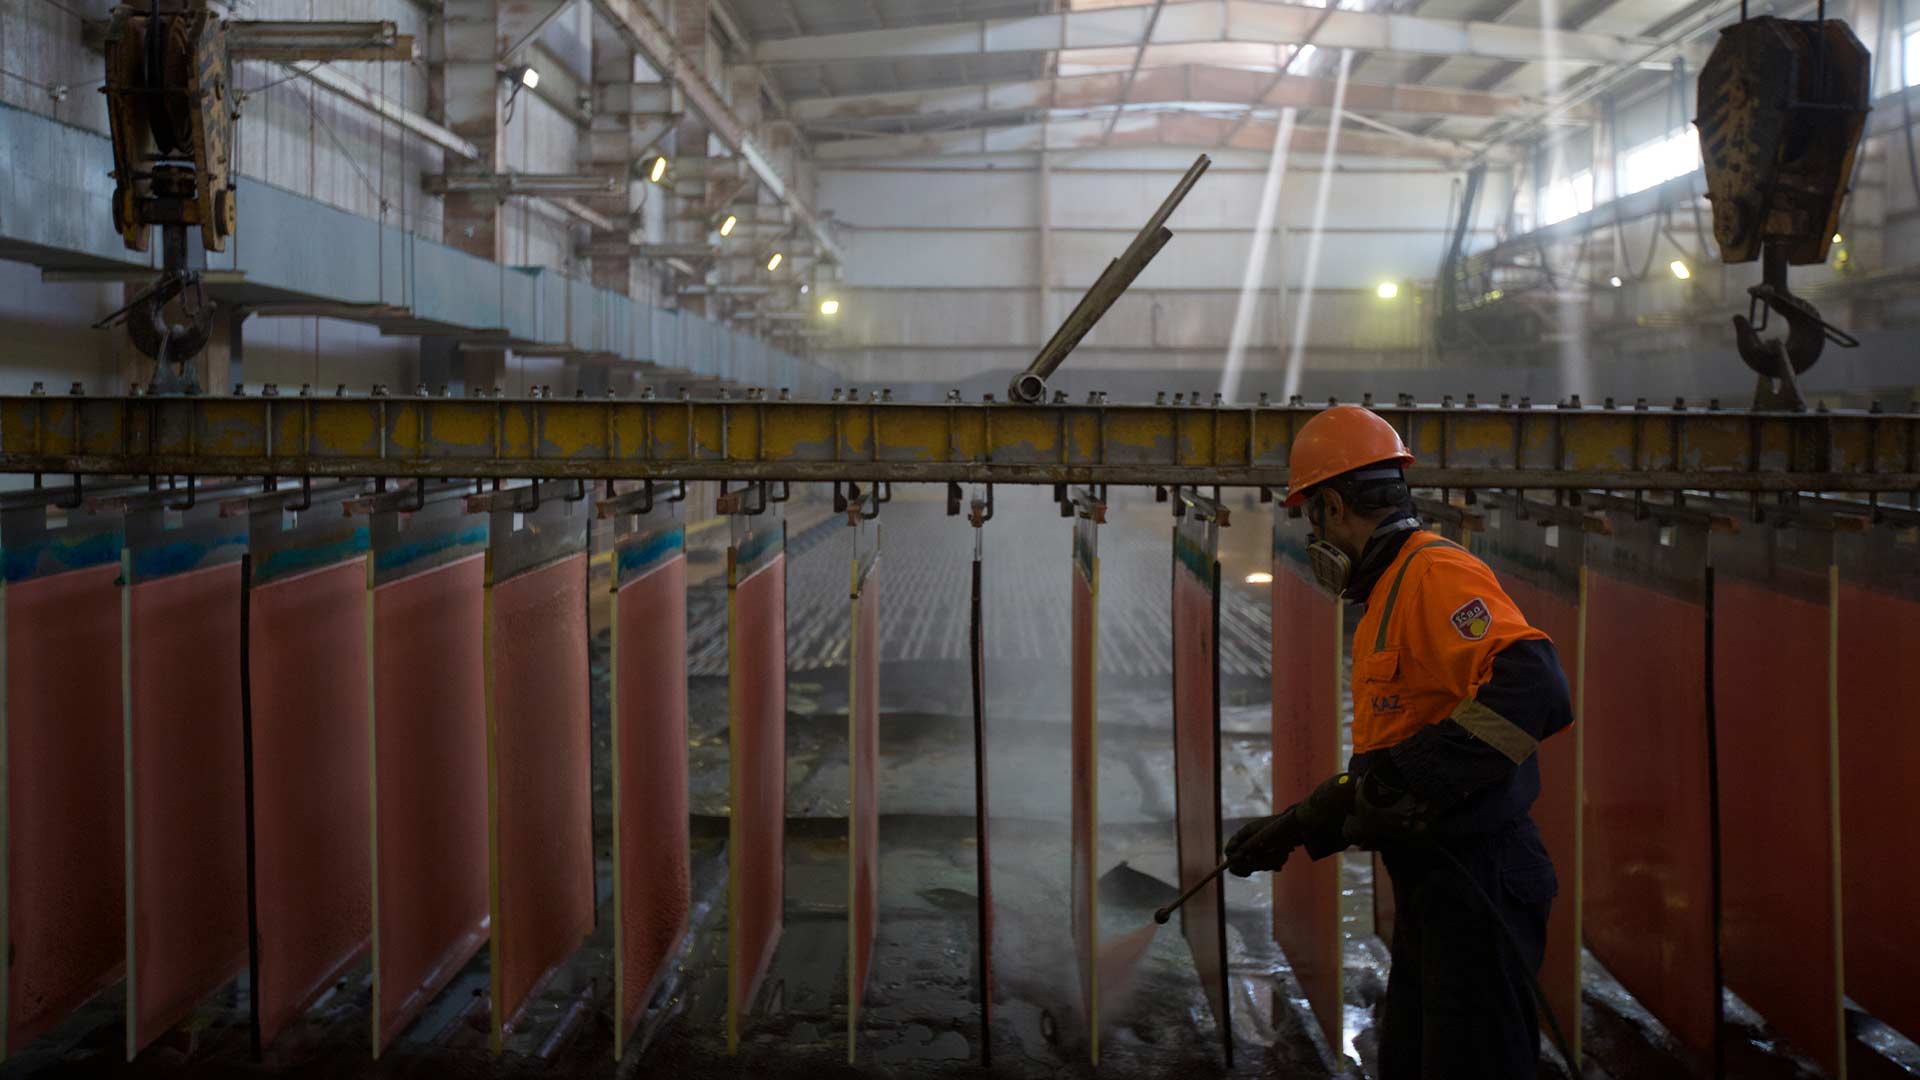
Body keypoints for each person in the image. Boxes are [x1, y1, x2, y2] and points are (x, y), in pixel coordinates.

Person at [1226, 405, 1574, 1079]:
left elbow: (1535, 685)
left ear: (1333, 505)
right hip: (1437, 886)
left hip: (1481, 880)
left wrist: (1412, 776)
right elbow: (1394, 759)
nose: (1314, 535)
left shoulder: (1433, 574)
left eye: (1312, 518)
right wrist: (1298, 824)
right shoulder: (1390, 590)